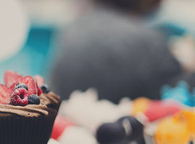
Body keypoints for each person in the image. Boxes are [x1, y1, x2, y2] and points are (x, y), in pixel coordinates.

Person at [51, 0, 182, 104]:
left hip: (67, 125)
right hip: (123, 131)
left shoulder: (71, 29)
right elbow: (174, 94)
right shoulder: (148, 40)